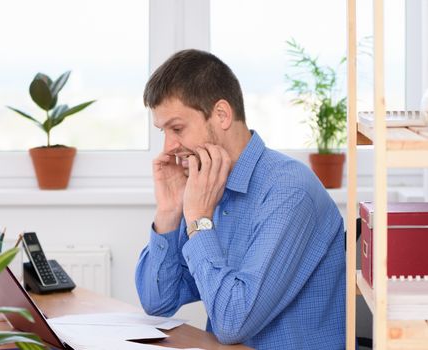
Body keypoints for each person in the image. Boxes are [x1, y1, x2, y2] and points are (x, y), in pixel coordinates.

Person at [135, 49, 345, 350]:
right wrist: (169, 211)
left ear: (221, 114)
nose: (169, 147)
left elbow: (233, 322)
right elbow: (158, 302)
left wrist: (198, 220)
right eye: (163, 131)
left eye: (177, 128)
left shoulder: (289, 192)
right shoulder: (207, 184)